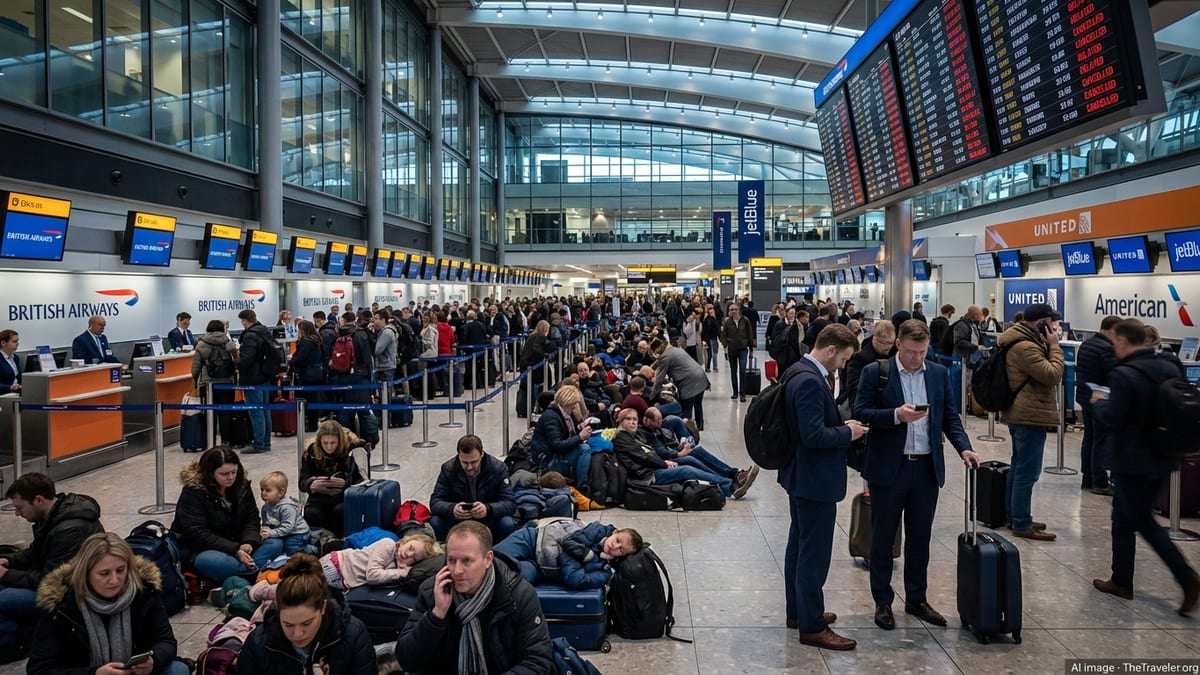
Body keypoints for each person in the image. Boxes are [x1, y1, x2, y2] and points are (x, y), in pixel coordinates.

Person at [854, 319, 980, 631]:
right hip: (889, 468)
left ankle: (916, 598)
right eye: (912, 352)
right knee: (883, 538)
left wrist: (964, 447)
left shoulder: (937, 373)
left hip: (925, 468)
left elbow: (949, 416)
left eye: (922, 352)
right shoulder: (876, 373)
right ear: (898, 345)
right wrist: (896, 415)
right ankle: (883, 601)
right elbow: (861, 412)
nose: (917, 358)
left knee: (920, 537)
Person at [1091, 319, 1200, 616]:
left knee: (1143, 521)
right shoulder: (1169, 366)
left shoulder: (1124, 374)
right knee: (1122, 518)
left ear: (1123, 341)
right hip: (1164, 455)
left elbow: (1114, 417)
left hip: (1132, 461)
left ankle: (1187, 577)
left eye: (1115, 341)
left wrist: (1099, 402)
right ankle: (1121, 579)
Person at [779, 324, 866, 651]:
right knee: (813, 555)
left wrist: (839, 425)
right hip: (814, 480)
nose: (844, 364)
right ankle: (812, 625)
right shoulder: (810, 382)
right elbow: (813, 435)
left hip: (800, 476)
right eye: (843, 358)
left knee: (799, 546)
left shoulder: (797, 371)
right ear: (831, 350)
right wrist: (848, 432)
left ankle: (799, 611)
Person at [394, 521, 554, 674]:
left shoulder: (518, 595)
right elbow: (407, 660)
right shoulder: (432, 591)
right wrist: (436, 616)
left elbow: (537, 660)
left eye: (467, 561)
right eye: (451, 560)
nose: (457, 570)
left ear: (488, 559)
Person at [27, 532, 189, 675]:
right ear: (86, 574)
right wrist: (95, 673)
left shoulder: (144, 592)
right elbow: (39, 669)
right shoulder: (61, 605)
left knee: (177, 669)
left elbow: (166, 641)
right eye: (104, 574)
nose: (114, 580)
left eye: (120, 570)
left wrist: (153, 660)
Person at [0, 473, 103, 648]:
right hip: (59, 584)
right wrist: (8, 561)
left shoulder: (69, 530)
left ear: (39, 500)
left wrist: (7, 575)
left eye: (20, 507)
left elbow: (51, 581)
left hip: (70, 597)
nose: (17, 513)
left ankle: (20, 639)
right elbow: (34, 553)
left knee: (4, 597)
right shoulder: (53, 516)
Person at [236, 553, 375, 674]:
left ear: (322, 607)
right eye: (288, 625)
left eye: (307, 623)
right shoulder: (259, 641)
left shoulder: (353, 635)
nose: (298, 634)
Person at [998, 303, 1065, 541]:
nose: (1055, 327)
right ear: (1040, 322)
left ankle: (1015, 515)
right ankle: (1021, 522)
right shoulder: (1025, 346)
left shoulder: (1023, 339)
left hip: (1023, 412)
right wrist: (1054, 346)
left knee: (1019, 468)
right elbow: (1052, 374)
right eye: (1052, 322)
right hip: (1029, 414)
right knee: (1027, 472)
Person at [170, 446, 261, 581]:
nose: (231, 477)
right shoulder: (193, 492)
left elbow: (252, 519)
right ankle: (259, 572)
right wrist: (234, 549)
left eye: (234, 472)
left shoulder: (242, 485)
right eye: (224, 474)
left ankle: (251, 572)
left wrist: (249, 542)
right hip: (202, 549)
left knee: (275, 543)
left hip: (237, 543)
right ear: (210, 474)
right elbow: (197, 533)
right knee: (218, 563)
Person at [612, 408, 742, 499]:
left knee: (690, 460)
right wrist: (664, 463)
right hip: (646, 475)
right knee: (686, 470)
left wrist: (665, 461)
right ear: (621, 422)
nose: (632, 422)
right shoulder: (622, 438)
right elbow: (643, 456)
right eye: (628, 419)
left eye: (634, 419)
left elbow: (650, 452)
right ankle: (730, 486)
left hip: (652, 467)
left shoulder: (635, 434)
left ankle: (730, 479)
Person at [641, 407, 757, 498]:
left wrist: (680, 449)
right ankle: (730, 485)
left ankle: (734, 474)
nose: (660, 424)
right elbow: (657, 454)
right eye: (658, 422)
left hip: (664, 456)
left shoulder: (652, 430)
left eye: (634, 419)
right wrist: (679, 454)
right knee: (689, 463)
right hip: (661, 462)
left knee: (697, 451)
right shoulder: (644, 434)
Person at [494, 521, 641, 588]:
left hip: (540, 567)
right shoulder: (596, 531)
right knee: (493, 559)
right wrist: (585, 556)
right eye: (618, 540)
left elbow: (575, 579)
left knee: (506, 579)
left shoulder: (604, 569)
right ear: (615, 532)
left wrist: (579, 558)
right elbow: (569, 544)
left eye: (621, 550)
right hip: (532, 539)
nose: (615, 546)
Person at [429, 434, 518, 543]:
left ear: (482, 454)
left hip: (488, 520)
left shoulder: (498, 468)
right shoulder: (448, 469)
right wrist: (452, 509)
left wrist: (488, 509)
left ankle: (499, 550)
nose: (469, 467)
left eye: (474, 462)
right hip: (458, 521)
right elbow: (435, 502)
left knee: (507, 523)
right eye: (464, 462)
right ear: (458, 456)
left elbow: (510, 503)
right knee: (436, 521)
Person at [299, 420, 368, 536]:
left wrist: (346, 483)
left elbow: (364, 480)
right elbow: (302, 481)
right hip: (319, 499)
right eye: (325, 443)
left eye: (333, 443)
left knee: (340, 511)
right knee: (311, 513)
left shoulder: (354, 449)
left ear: (340, 441)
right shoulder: (311, 452)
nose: (329, 447)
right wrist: (310, 484)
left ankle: (341, 541)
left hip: (345, 498)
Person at [1075, 315, 1120, 495]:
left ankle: (1088, 478)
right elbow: (1112, 375)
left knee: (1089, 438)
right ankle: (1100, 481)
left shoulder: (1087, 344)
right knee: (1099, 440)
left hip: (1085, 397)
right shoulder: (1107, 349)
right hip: (1100, 399)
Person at [321, 533, 442, 592]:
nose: (408, 554)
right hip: (334, 568)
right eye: (410, 548)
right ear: (405, 541)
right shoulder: (388, 544)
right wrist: (400, 572)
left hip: (344, 580)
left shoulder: (398, 562)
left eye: (414, 558)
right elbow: (373, 575)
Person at [530, 385, 593, 485]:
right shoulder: (551, 417)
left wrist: (578, 429)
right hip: (548, 459)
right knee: (585, 449)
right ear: (570, 403)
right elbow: (558, 445)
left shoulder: (563, 413)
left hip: (554, 454)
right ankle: (582, 485)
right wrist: (579, 437)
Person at [192, 319, 239, 445]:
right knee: (226, 413)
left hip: (208, 384)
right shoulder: (229, 343)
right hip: (227, 383)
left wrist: (195, 380)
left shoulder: (201, 344)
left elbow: (196, 366)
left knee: (209, 413)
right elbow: (236, 361)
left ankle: (210, 441)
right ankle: (226, 441)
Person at [236, 309, 276, 453]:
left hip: (253, 377)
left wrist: (236, 360)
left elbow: (247, 360)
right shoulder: (264, 331)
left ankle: (259, 443)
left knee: (256, 411)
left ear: (245, 320)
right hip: (265, 376)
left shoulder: (250, 336)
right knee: (265, 410)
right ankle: (266, 441)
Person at [332, 312, 376, 444]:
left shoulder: (340, 336)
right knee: (364, 412)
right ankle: (369, 440)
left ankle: (347, 439)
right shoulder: (362, 335)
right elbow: (367, 358)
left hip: (344, 376)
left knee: (346, 411)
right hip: (361, 377)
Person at [254, 472, 311, 569]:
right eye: (262, 489)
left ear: (280, 492)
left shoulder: (287, 507)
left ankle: (308, 551)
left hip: (297, 533)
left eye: (268, 490)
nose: (263, 493)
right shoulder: (265, 507)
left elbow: (288, 527)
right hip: (282, 530)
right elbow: (266, 522)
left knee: (292, 550)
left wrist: (271, 533)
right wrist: (265, 531)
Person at [649, 338, 709, 430]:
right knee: (698, 404)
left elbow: (659, 380)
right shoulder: (675, 349)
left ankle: (687, 431)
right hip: (701, 377)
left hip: (689, 383)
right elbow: (660, 363)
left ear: (656, 350)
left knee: (686, 410)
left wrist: (651, 398)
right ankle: (699, 428)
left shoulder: (665, 356)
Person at [840, 319, 896, 418]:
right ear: (874, 338)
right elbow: (853, 388)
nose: (887, 347)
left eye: (890, 343)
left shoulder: (895, 355)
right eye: (883, 343)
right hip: (869, 411)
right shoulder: (859, 358)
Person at [289, 319, 325, 432]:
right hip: (316, 373)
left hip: (307, 374)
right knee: (314, 399)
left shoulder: (306, 342)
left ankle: (311, 425)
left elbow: (300, 358)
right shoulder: (316, 340)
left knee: (308, 400)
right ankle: (313, 423)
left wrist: (291, 361)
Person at [719, 303, 754, 402]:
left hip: (743, 349)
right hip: (732, 349)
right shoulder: (727, 322)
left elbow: (750, 334)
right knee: (733, 371)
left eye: (735, 309)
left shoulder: (745, 320)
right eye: (731, 310)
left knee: (742, 370)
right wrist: (725, 344)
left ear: (739, 310)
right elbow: (723, 335)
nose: (733, 311)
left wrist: (751, 349)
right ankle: (735, 392)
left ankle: (742, 393)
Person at [371, 309, 398, 388]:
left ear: (383, 319)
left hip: (386, 367)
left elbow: (378, 350)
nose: (374, 322)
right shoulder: (383, 331)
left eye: (376, 319)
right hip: (383, 366)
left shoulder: (387, 332)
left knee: (385, 392)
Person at [0, 329, 22, 394]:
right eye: (14, 341)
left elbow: (18, 377)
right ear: (3, 343)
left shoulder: (15, 358)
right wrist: (10, 387)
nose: (17, 344)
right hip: (4, 394)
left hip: (16, 393)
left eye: (17, 341)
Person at [701, 303, 721, 373]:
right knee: (713, 353)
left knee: (709, 353)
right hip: (712, 338)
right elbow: (717, 329)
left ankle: (708, 367)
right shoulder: (712, 319)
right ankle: (714, 367)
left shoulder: (705, 319)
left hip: (708, 338)